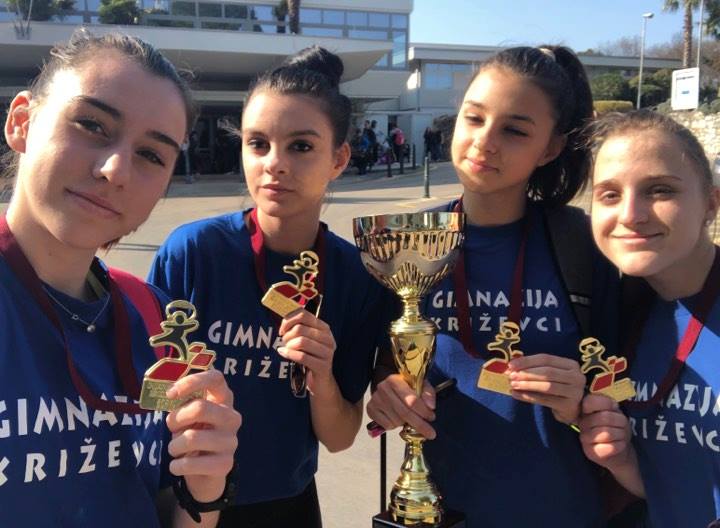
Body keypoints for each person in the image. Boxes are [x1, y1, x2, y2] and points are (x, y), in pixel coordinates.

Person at [366, 46, 619, 527]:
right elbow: (384, 364)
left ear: (550, 148)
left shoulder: (584, 245)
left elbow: (626, 389)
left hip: (564, 513)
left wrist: (582, 404)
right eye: (475, 118)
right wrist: (387, 391)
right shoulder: (404, 241)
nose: (484, 141)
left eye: (515, 130)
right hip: (438, 512)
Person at [0, 30, 241, 527]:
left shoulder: (156, 319)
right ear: (22, 122)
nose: (115, 169)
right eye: (91, 124)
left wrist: (204, 489)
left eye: (151, 155)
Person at [148, 46, 390, 528]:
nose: (274, 164)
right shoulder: (193, 251)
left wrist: (321, 377)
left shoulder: (356, 276)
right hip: (186, 500)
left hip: (288, 505)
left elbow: (340, 436)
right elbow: (146, 395)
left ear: (339, 158)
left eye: (301, 146)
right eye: (258, 144)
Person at [578, 110, 720, 527]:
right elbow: (678, 488)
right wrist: (621, 461)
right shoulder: (620, 317)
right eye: (609, 195)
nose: (630, 214)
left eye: (659, 190)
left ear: (711, 203)